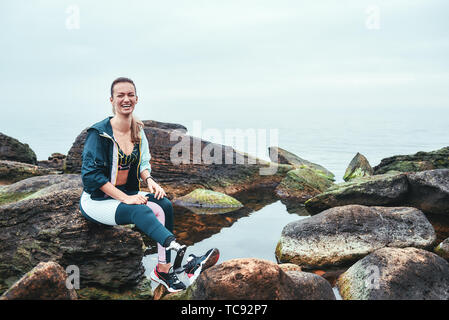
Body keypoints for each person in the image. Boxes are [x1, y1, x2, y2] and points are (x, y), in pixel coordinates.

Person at [79, 77, 219, 292]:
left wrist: (150, 181)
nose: (126, 99)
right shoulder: (99, 134)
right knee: (140, 211)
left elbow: (143, 162)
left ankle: (163, 270)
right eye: (120, 95)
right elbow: (91, 176)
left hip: (126, 194)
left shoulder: (138, 129)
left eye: (130, 94)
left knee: (164, 205)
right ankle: (181, 252)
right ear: (111, 100)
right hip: (97, 201)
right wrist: (125, 198)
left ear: (136, 98)